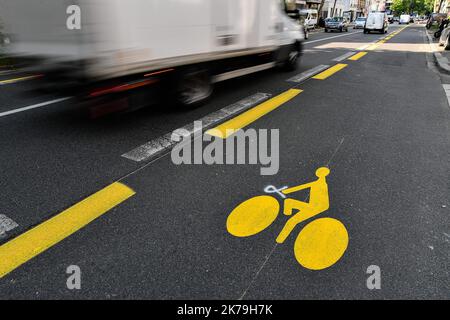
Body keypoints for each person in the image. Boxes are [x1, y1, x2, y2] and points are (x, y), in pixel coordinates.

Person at [276, 167, 330, 244]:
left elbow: (302, 187)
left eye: (322, 173)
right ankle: (286, 215)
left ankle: (280, 240)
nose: (321, 175)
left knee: (292, 220)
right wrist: (286, 191)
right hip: (312, 205)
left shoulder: (320, 183)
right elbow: (301, 187)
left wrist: (286, 191)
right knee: (288, 202)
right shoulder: (317, 183)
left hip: (316, 207)